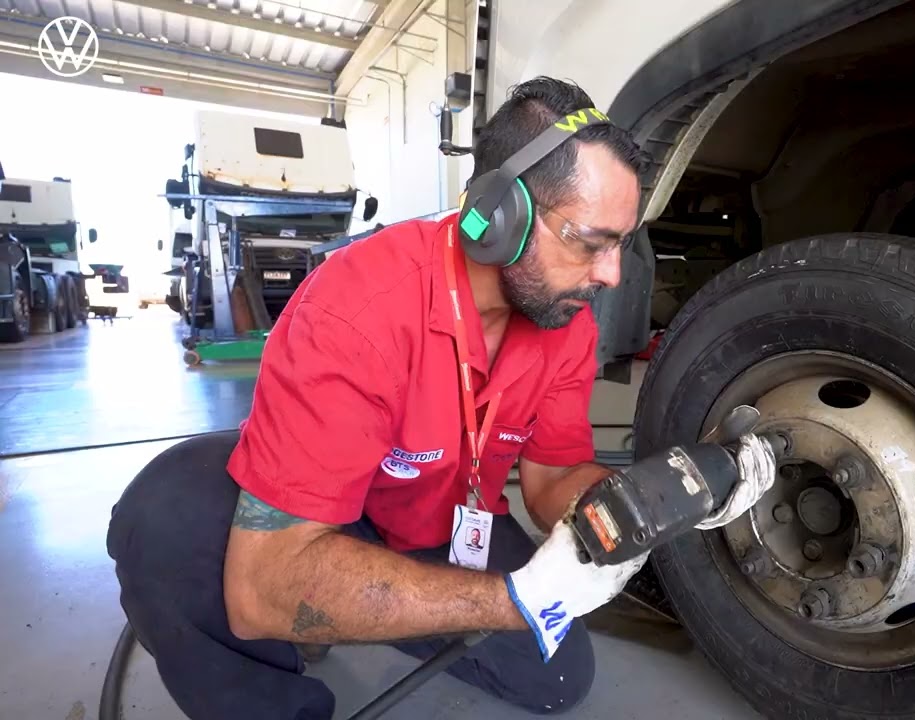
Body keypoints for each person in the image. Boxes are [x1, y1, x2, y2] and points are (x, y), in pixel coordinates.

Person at [105, 77, 774, 720]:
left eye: (621, 244)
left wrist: (660, 500)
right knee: (171, 519)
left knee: (556, 678)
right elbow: (260, 590)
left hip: (441, 521)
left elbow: (552, 480)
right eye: (590, 242)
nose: (612, 274)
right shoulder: (357, 308)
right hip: (329, 511)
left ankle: (350, 605)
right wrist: (514, 599)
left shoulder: (563, 322)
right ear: (498, 218)